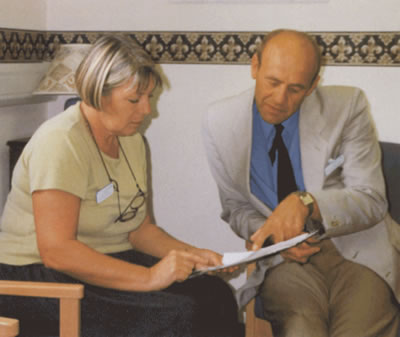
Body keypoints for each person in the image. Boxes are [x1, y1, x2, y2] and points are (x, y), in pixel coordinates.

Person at [0, 35, 242, 337]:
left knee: (214, 296)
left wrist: (194, 255)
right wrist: (149, 276)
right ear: (100, 95)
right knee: (176, 314)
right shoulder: (60, 142)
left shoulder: (132, 141)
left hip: (101, 259)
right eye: (134, 100)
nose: (146, 111)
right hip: (34, 277)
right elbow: (57, 251)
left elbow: (140, 230)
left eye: (149, 98)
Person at [202, 29, 400, 337]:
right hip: (286, 262)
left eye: (295, 89)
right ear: (255, 66)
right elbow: (236, 208)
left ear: (313, 86)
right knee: (301, 328)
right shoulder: (220, 122)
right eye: (272, 82)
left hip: (357, 250)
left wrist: (307, 204)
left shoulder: (347, 107)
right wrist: (273, 241)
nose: (280, 99)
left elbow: (371, 199)